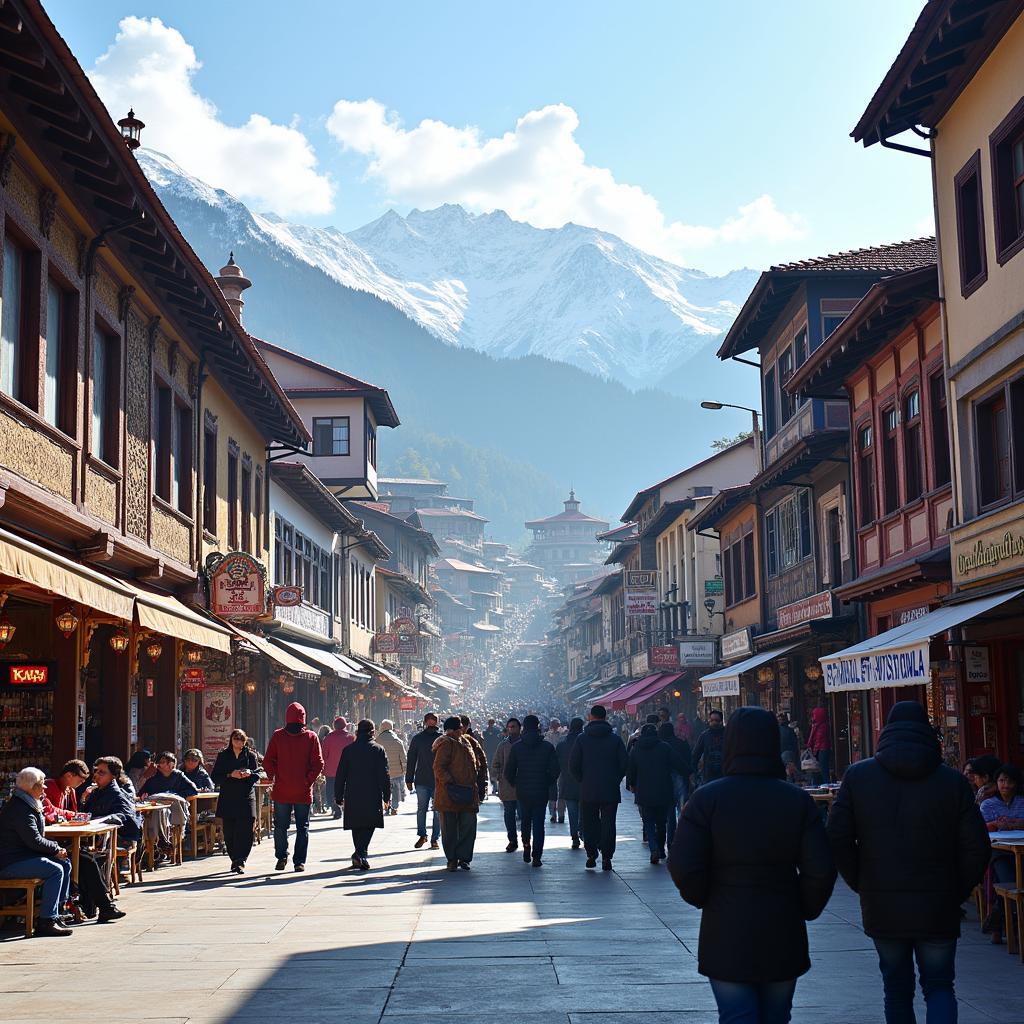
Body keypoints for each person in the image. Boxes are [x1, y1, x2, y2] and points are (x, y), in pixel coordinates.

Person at [670, 707, 837, 1024]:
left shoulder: (707, 800)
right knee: (776, 1016)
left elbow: (683, 865)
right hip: (782, 923)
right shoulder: (796, 800)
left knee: (737, 1016)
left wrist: (707, 897)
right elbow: (821, 869)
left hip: (725, 927)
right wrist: (803, 906)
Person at [827, 701, 990, 1023]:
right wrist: (956, 889)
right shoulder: (951, 782)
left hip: (883, 900)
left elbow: (837, 838)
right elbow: (977, 848)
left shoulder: (859, 777)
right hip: (938, 900)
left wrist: (861, 880)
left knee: (896, 987)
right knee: (940, 985)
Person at [0, 767, 73, 936]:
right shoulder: (20, 809)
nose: (44, 788)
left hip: (23, 857)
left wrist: (56, 851)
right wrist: (55, 849)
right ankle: (46, 921)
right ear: (31, 787)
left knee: (64, 863)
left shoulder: (27, 804)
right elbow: (34, 840)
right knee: (55, 869)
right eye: (41, 784)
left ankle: (58, 912)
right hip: (11, 863)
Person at [263, 702, 325, 872]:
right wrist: (308, 780)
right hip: (303, 791)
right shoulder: (311, 737)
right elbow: (318, 763)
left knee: (281, 826)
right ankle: (299, 861)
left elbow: (267, 761)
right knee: (302, 827)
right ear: (303, 718)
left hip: (282, 790)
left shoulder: (278, 736)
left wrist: (274, 776)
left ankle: (281, 856)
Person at [569, 704, 628, 871]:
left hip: (588, 788)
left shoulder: (582, 739)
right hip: (609, 788)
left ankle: (591, 854)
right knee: (609, 823)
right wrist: (615, 779)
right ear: (605, 717)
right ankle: (607, 857)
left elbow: (573, 765)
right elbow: (624, 763)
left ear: (590, 717)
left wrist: (583, 780)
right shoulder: (615, 739)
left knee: (589, 822)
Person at [335, 719, 391, 871]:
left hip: (353, 792)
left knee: (357, 824)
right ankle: (361, 853)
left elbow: (340, 774)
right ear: (373, 732)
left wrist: (338, 795)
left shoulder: (348, 750)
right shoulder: (378, 749)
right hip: (372, 792)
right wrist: (387, 794)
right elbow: (384, 774)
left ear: (357, 732)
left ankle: (359, 853)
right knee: (369, 822)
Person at [505, 715, 559, 867]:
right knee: (539, 824)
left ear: (524, 728)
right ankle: (537, 855)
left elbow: (508, 772)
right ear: (538, 726)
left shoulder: (517, 747)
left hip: (523, 792)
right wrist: (546, 781)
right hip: (541, 791)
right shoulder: (547, 747)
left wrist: (516, 783)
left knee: (525, 821)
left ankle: (526, 846)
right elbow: (556, 770)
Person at [432, 716, 485, 871]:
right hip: (449, 793)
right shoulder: (446, 743)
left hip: (468, 792)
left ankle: (464, 857)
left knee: (468, 826)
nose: (463, 729)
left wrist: (480, 784)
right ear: (454, 729)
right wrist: (450, 782)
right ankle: (452, 859)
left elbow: (480, 763)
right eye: (460, 727)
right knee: (449, 829)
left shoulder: (467, 741)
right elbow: (439, 767)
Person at [979, 763, 1024, 944]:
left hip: (1019, 847)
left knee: (1014, 883)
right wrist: (997, 824)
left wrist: (1015, 823)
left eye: (1010, 781)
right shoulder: (988, 804)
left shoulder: (1021, 801)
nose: (1005, 785)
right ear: (996, 782)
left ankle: (995, 921)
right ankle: (1006, 921)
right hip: (998, 850)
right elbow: (983, 827)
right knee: (1006, 878)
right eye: (1002, 780)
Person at [211, 728, 262, 874]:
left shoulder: (250, 756)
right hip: (229, 797)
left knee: (246, 830)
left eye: (240, 739)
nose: (238, 741)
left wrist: (249, 773)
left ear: (244, 741)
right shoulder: (223, 755)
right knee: (230, 831)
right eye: (235, 738)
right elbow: (215, 776)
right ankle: (234, 858)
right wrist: (230, 774)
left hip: (246, 796)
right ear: (231, 740)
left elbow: (258, 773)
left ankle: (240, 860)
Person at [628, 723, 675, 864]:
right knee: (661, 822)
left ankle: (653, 848)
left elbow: (631, 769)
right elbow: (678, 763)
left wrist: (631, 784)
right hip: (663, 790)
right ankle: (660, 849)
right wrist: (689, 772)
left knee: (648, 822)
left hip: (644, 790)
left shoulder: (636, 749)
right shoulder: (665, 747)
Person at [406, 713, 442, 850]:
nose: (432, 722)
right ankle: (424, 835)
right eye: (430, 720)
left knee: (434, 810)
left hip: (435, 780)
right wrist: (409, 778)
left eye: (434, 720)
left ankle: (433, 838)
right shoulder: (419, 739)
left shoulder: (440, 739)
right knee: (424, 809)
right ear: (426, 722)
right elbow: (412, 759)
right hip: (424, 780)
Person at [657, 721, 691, 845]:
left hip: (666, 780)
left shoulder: (661, 745)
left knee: (670, 812)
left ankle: (671, 841)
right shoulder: (682, 743)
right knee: (682, 809)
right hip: (681, 777)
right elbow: (688, 758)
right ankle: (683, 837)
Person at [492, 717, 523, 852]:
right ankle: (512, 840)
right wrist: (499, 777)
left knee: (524, 815)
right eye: (509, 727)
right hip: (507, 786)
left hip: (523, 786)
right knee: (509, 814)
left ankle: (526, 840)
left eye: (514, 727)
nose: (511, 729)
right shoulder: (503, 745)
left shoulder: (524, 744)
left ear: (519, 728)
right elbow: (496, 763)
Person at [557, 718, 584, 850]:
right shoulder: (586, 743)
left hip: (567, 782)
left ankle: (574, 837)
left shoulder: (562, 745)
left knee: (572, 812)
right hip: (584, 783)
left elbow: (557, 765)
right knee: (584, 812)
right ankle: (582, 832)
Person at [321, 717, 354, 820]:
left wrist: (323, 768)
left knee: (331, 791)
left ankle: (336, 808)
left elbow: (324, 755)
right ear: (345, 725)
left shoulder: (328, 738)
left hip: (331, 771)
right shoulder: (351, 738)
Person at [376, 720, 407, 814]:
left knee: (384, 790)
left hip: (382, 772)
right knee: (395, 791)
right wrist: (405, 770)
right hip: (397, 772)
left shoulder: (377, 741)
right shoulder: (398, 741)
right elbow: (403, 758)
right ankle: (394, 808)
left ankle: (386, 805)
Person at [692, 708, 725, 784]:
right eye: (712, 720)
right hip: (709, 775)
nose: (714, 722)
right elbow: (695, 754)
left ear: (721, 721)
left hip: (724, 774)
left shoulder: (728, 734)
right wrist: (694, 771)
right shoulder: (704, 736)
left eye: (717, 720)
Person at [807, 707, 832, 783]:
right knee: (823, 769)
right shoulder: (825, 725)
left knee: (821, 770)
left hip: (820, 750)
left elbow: (814, 739)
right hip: (825, 749)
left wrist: (813, 749)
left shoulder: (817, 725)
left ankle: (825, 784)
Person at [482, 719, 503, 795]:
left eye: (492, 723)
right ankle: (495, 787)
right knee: (491, 769)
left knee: (494, 768)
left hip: (494, 752)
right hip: (489, 752)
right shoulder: (486, 732)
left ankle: (495, 787)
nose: (491, 724)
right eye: (490, 723)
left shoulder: (495, 731)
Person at [778, 713, 799, 782]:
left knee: (785, 773)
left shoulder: (777, 730)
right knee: (789, 773)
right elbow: (795, 744)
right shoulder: (790, 730)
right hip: (789, 753)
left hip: (781, 753)